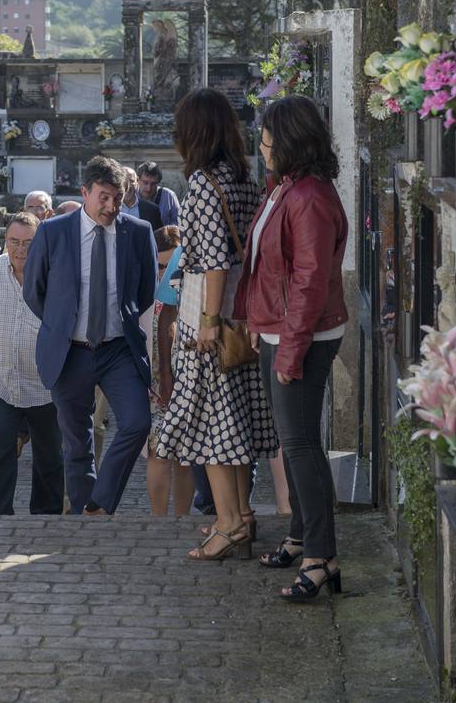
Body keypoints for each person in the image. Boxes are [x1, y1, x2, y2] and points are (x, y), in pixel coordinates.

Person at [232, 94, 349, 602]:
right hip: (281, 329)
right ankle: (303, 537)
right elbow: (268, 266)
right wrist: (261, 322)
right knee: (293, 441)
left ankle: (322, 557)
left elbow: (308, 282)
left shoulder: (310, 198)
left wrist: (291, 348)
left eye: (268, 142)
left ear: (292, 144)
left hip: (303, 334)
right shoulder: (286, 188)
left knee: (300, 445)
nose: (262, 149)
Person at [155, 88, 271, 562]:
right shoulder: (243, 177)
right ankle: (241, 514)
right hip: (243, 312)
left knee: (212, 423)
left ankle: (226, 523)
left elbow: (215, 261)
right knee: (235, 419)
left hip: (211, 308)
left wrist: (206, 321)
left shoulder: (204, 182)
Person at [23, 155, 158, 515]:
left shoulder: (138, 233)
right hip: (70, 352)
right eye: (104, 197)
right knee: (77, 442)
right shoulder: (53, 232)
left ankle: (100, 500)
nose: (111, 206)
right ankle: (86, 517)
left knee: (137, 422)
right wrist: (61, 325)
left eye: (118, 197)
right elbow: (34, 291)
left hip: (119, 351)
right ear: (85, 192)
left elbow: (145, 292)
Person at [0, 212, 64, 515]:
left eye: (28, 244)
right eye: (14, 242)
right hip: (1, 384)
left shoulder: (56, 274)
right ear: (4, 241)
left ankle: (46, 520)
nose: (21, 250)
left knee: (49, 459)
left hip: (45, 386)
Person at [147, 232, 193, 516]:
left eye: (168, 267)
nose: (163, 273)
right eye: (159, 266)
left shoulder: (178, 290)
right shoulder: (147, 298)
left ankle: (183, 517)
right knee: (159, 449)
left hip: (187, 372)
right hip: (158, 381)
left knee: (185, 453)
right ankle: (159, 519)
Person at [136, 161, 181, 228]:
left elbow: (178, 222)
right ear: (138, 180)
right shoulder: (131, 196)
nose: (149, 189)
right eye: (145, 183)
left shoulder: (169, 196)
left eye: (153, 184)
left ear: (159, 183)